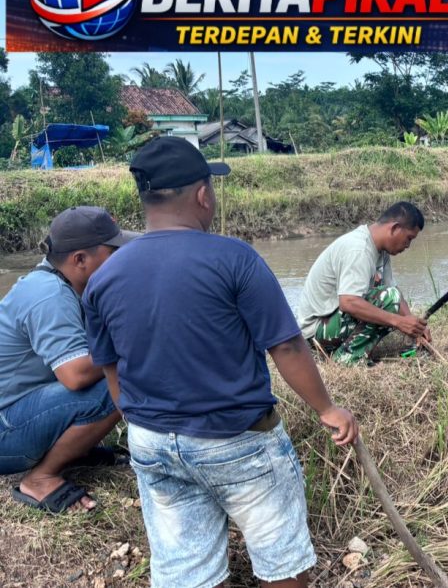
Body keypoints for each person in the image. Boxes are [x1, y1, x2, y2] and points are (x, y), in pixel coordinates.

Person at [83, 137, 357, 588]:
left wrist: (140, 421)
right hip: (237, 441)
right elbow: (286, 347)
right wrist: (328, 410)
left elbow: (111, 367)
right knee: (282, 560)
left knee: (185, 569)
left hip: (151, 441)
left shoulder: (104, 276)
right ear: (203, 195)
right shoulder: (235, 258)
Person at [0, 206, 137, 513]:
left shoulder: (59, 281)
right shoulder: (49, 295)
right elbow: (75, 375)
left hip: (16, 409)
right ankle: (39, 478)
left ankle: (74, 451)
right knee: (121, 378)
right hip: (4, 429)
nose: (119, 260)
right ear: (79, 260)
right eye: (112, 253)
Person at [296, 201, 429, 364]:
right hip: (315, 332)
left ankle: (350, 352)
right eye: (409, 238)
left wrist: (414, 326)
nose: (408, 245)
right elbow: (348, 302)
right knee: (389, 299)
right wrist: (398, 321)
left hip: (332, 320)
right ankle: (346, 360)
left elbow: (392, 289)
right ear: (394, 228)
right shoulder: (358, 250)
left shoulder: (381, 251)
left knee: (390, 296)